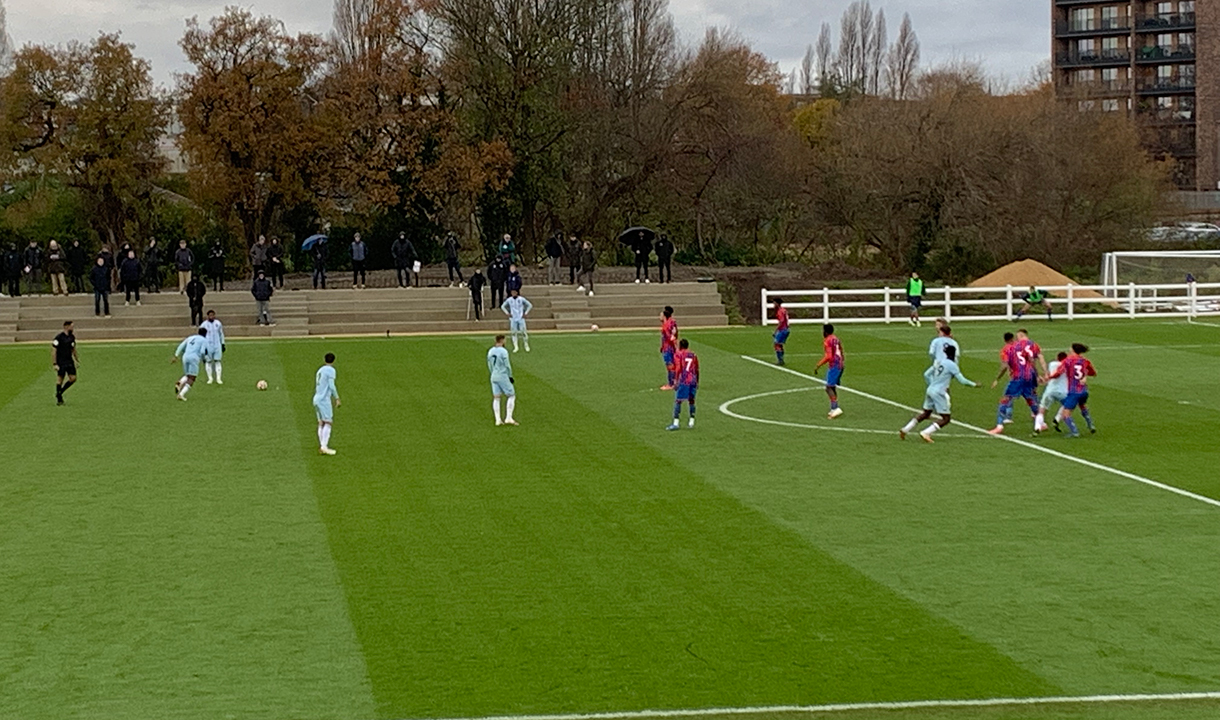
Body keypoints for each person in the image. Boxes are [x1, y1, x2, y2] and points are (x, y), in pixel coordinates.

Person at [899, 344, 978, 443]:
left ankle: (905, 429)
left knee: (926, 413)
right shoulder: (952, 365)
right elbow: (962, 381)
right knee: (946, 418)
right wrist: (974, 384)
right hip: (939, 392)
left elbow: (927, 374)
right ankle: (926, 432)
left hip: (930, 389)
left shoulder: (940, 362)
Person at [987, 332, 1038, 435]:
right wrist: (1036, 375)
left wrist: (997, 379)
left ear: (1005, 340)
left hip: (1018, 377)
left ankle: (999, 425)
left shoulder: (1006, 349)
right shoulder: (1021, 346)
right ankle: (1041, 422)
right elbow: (1031, 360)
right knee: (1030, 399)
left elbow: (1005, 366)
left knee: (1004, 400)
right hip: (1028, 376)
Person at [1045, 343, 1096, 437]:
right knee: (1082, 405)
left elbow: (1058, 373)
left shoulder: (1068, 360)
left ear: (1073, 350)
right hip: (1084, 390)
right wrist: (1084, 375)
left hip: (1074, 391)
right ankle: (1091, 425)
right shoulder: (1085, 361)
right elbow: (1093, 373)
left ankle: (1074, 432)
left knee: (1065, 414)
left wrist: (1049, 377)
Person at [666, 338, 700, 430]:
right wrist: (697, 381)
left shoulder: (679, 354)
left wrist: (676, 381)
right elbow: (697, 369)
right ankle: (691, 422)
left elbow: (678, 368)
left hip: (684, 380)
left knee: (678, 400)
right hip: (692, 380)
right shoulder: (693, 355)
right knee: (691, 400)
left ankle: (676, 423)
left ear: (680, 346)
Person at [813, 323, 845, 419]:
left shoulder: (827, 341)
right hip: (840, 363)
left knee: (828, 387)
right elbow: (841, 350)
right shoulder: (836, 338)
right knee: (832, 386)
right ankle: (833, 408)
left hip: (834, 365)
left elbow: (829, 356)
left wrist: (818, 365)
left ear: (825, 332)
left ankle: (835, 408)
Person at [1034, 351, 1070, 434]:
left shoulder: (1052, 364)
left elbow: (1049, 374)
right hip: (1063, 391)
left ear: (1057, 358)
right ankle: (1057, 418)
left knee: (1042, 409)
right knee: (1068, 405)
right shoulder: (1068, 366)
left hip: (1050, 390)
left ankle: (1037, 427)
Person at [171, 327, 210, 401]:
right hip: (194, 358)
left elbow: (181, 346)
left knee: (187, 374)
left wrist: (176, 356)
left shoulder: (190, 337)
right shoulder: (204, 340)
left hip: (185, 357)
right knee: (192, 378)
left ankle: (180, 382)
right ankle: (181, 394)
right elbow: (202, 351)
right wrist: (204, 359)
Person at [313, 353, 341, 455]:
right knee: (328, 422)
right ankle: (324, 446)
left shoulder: (320, 370)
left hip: (316, 398)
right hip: (324, 400)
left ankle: (322, 446)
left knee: (321, 422)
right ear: (333, 360)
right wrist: (337, 398)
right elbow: (331, 385)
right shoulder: (331, 370)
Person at [487, 334, 517, 426]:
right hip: (502, 375)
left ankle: (498, 420)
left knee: (496, 397)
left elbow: (489, 364)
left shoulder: (490, 351)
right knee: (511, 395)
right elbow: (507, 365)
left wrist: (493, 373)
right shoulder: (503, 351)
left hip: (493, 376)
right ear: (502, 340)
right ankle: (508, 418)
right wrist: (510, 376)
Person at [51, 320, 80, 405]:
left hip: (69, 360)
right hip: (61, 361)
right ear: (66, 327)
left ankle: (60, 392)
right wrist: (55, 363)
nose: (73, 328)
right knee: (60, 379)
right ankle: (59, 399)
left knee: (73, 378)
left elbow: (73, 349)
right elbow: (54, 350)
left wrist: (76, 360)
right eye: (71, 326)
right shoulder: (58, 338)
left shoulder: (72, 337)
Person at [501, 288, 533, 353]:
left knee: (523, 332)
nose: (513, 293)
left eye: (514, 292)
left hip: (521, 318)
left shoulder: (521, 299)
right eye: (512, 292)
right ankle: (516, 346)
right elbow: (502, 306)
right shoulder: (509, 300)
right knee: (513, 332)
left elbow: (530, 305)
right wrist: (507, 313)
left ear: (517, 292)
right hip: (513, 318)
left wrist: (525, 313)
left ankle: (526, 345)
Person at [200, 309, 226, 385]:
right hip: (208, 345)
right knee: (208, 361)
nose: (211, 316)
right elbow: (201, 336)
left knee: (217, 361)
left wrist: (223, 343)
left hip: (217, 345)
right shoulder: (204, 325)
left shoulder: (218, 323)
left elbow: (221, 334)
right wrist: (202, 346)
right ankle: (210, 378)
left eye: (213, 315)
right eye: (210, 315)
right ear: (207, 316)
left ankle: (218, 378)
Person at [659, 306, 679, 389]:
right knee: (673, 364)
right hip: (671, 347)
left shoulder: (666, 325)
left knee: (670, 365)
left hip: (668, 348)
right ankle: (675, 382)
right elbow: (675, 334)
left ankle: (671, 384)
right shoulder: (673, 322)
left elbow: (669, 337)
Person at [772, 297, 790, 365]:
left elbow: (781, 321)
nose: (773, 304)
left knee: (777, 344)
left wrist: (776, 330)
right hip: (786, 329)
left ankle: (780, 360)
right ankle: (781, 359)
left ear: (777, 303)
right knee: (779, 344)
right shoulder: (783, 310)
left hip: (783, 330)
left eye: (774, 303)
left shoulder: (780, 311)